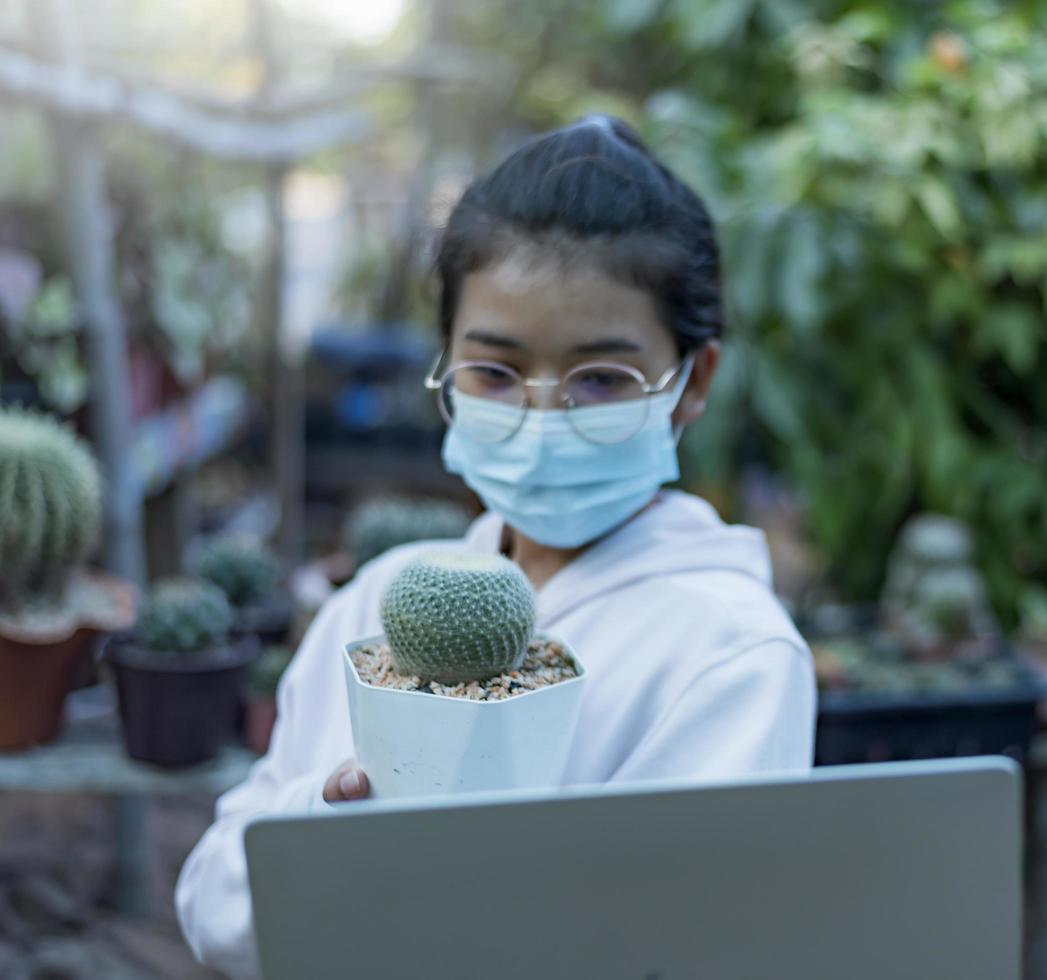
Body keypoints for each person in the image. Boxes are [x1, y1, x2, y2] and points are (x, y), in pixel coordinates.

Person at [176, 114, 816, 977]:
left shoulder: (729, 653)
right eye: (494, 371)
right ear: (444, 364)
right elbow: (214, 902)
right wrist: (329, 828)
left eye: (601, 378)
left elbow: (684, 946)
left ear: (690, 382)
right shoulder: (377, 603)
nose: (540, 412)